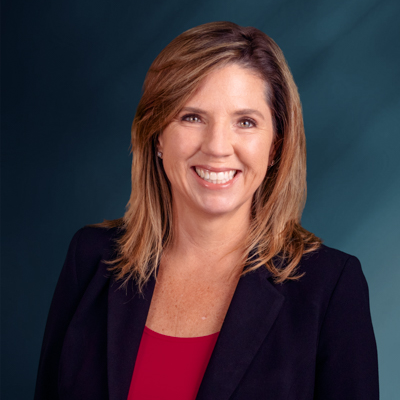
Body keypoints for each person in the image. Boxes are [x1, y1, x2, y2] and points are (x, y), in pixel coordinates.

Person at [34, 22, 379, 399]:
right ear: (157, 135)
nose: (217, 147)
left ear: (276, 146)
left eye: (245, 122)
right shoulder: (90, 260)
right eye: (192, 117)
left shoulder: (329, 288)